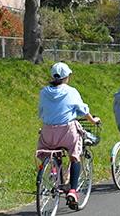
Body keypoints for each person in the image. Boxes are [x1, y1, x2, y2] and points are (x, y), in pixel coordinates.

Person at [37, 62, 100, 209]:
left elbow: (41, 112)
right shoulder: (71, 91)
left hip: (47, 131)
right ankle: (72, 190)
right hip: (66, 131)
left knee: (50, 152)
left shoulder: (44, 91)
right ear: (67, 76)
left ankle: (53, 171)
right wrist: (93, 120)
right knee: (74, 155)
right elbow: (83, 110)